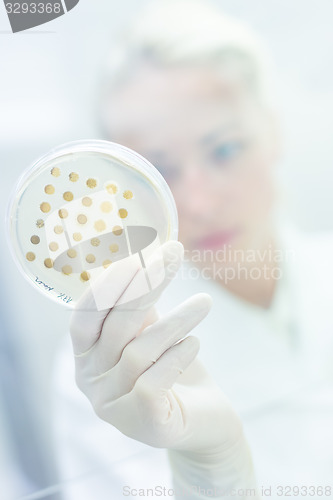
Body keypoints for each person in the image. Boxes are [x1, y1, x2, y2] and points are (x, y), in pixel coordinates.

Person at [54, 1, 333, 498]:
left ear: (273, 131)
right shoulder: (111, 366)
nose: (199, 202)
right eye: (160, 172)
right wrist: (209, 471)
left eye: (225, 149)